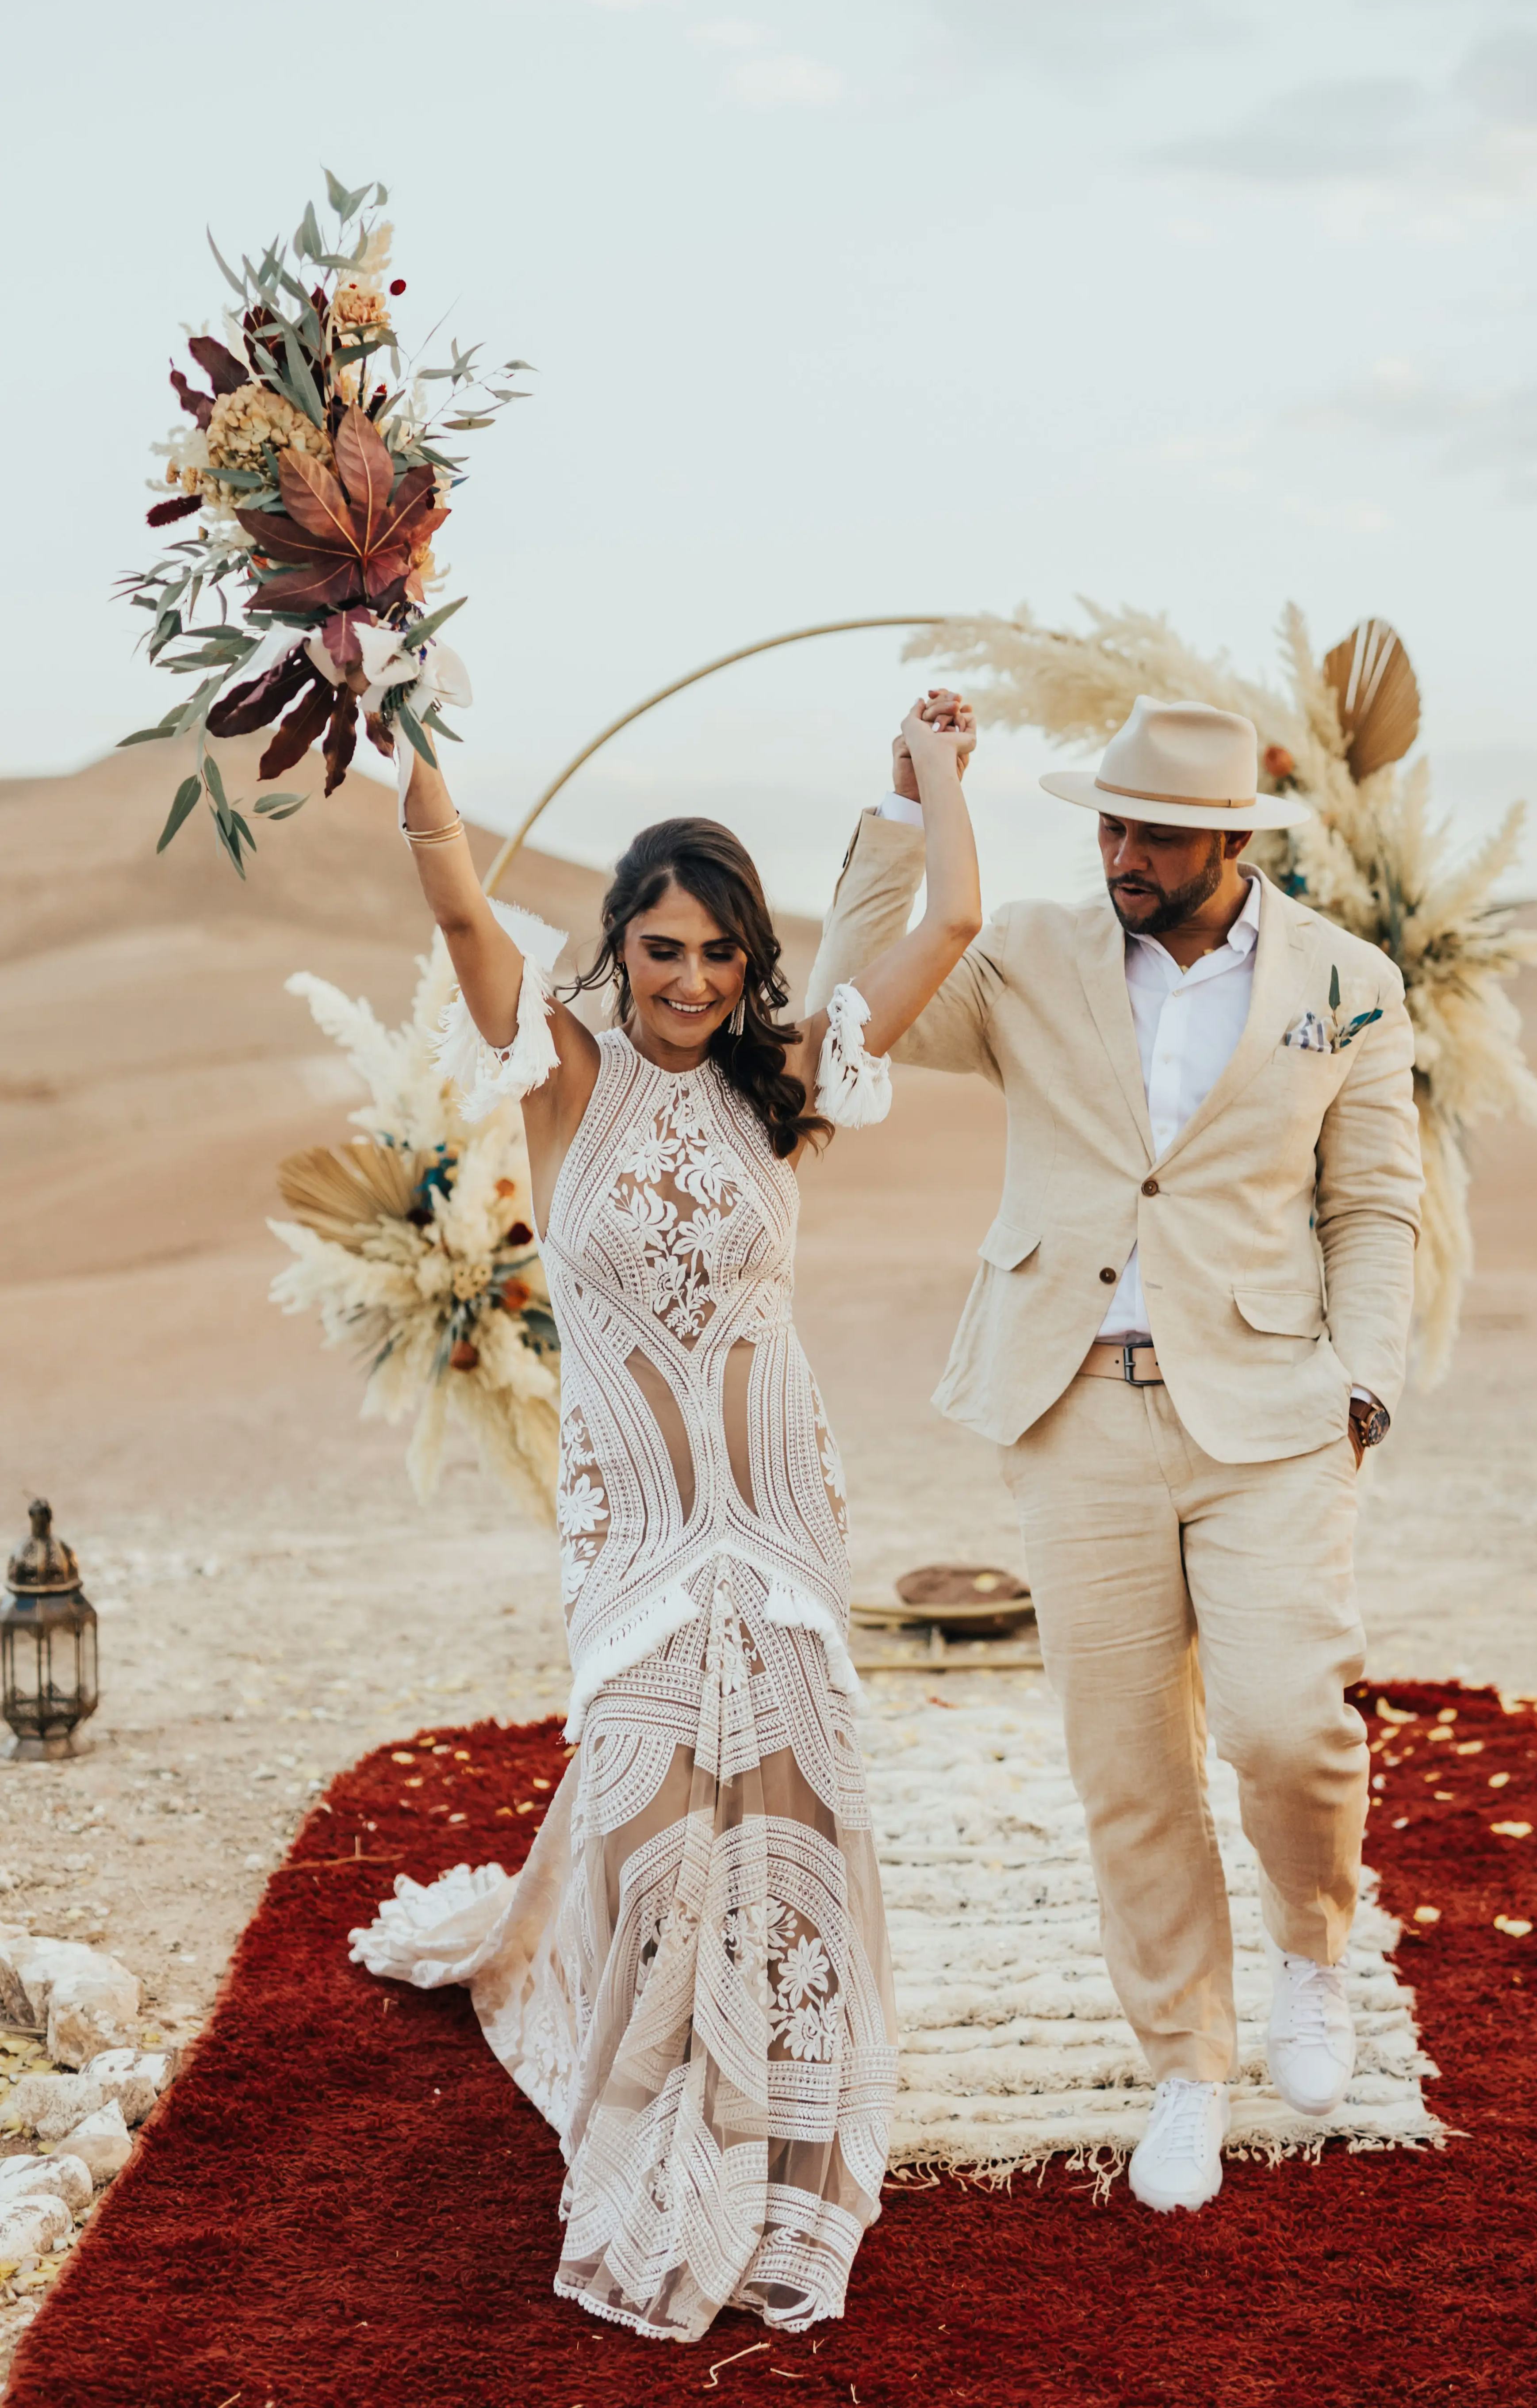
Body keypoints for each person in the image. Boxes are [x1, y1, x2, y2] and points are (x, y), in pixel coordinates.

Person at [349, 697, 981, 2340]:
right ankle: (653, 2127)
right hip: (629, 1521)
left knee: (790, 1802)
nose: (689, 979)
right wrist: (379, 674)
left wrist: (932, 784)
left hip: (780, 1509)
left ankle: (778, 2143)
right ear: (617, 952)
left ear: (746, 959)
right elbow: (453, 891)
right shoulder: (563, 1075)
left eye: (716, 952)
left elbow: (956, 918)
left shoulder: (786, 1082)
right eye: (660, 949)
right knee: (649, 1816)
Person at [808, 691, 1422, 2215]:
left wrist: (1367, 1386)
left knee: (1291, 1723)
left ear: (1226, 840)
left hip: (1276, 1409)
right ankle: (1187, 2069)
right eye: (1107, 820)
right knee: (1127, 1763)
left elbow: (1374, 1206)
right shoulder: (1026, 948)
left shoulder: (1345, 983)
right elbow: (843, 1015)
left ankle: (1313, 1956)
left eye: (1150, 830)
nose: (1118, 849)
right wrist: (902, 813)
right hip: (1070, 1401)